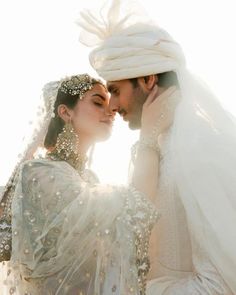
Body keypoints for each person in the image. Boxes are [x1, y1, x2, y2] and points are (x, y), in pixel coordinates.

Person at [79, 0, 236, 294]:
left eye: (115, 90)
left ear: (148, 79)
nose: (112, 106)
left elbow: (223, 284)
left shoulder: (197, 150)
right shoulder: (155, 148)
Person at [0, 73, 164, 294]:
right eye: (98, 102)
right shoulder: (39, 173)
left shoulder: (90, 180)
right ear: (65, 112)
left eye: (110, 103)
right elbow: (135, 208)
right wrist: (150, 138)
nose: (112, 111)